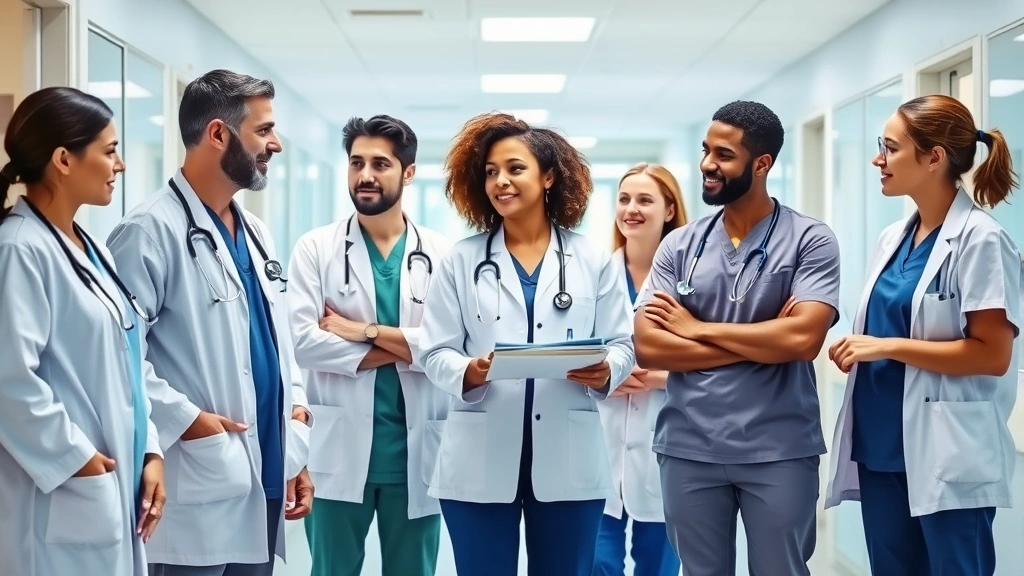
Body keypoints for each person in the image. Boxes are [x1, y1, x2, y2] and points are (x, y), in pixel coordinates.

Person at [105, 69, 314, 576]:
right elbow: (117, 355)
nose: (275, 144)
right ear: (218, 134)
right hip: (197, 481)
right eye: (263, 130)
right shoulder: (148, 231)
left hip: (264, 471)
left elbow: (275, 341)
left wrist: (297, 428)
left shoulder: (256, 230)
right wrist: (189, 422)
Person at [417, 112, 635, 576]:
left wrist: (608, 369)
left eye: (515, 169)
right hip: (477, 461)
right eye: (491, 172)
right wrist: (471, 371)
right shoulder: (461, 259)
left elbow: (623, 342)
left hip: (569, 460)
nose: (501, 181)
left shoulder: (593, 258)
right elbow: (434, 351)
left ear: (549, 176)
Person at [633, 100, 841, 576]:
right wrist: (765, 338)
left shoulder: (810, 239)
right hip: (689, 446)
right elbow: (650, 346)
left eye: (723, 154)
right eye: (706, 150)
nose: (708, 164)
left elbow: (804, 340)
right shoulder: (680, 244)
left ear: (762, 164)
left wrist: (696, 328)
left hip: (779, 448)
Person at [825, 94, 1022, 576]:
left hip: (946, 454)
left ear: (934, 157)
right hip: (881, 451)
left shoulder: (981, 240)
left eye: (889, 148)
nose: (878, 159)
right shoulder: (892, 238)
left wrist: (886, 346)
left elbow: (992, 354)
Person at [0, 87, 165, 576]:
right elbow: (9, 380)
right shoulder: (19, 250)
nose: (121, 166)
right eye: (110, 151)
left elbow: (127, 363)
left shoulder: (92, 248)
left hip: (115, 476)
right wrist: (77, 460)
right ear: (63, 160)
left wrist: (150, 448)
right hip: (65, 490)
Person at [287, 114, 452, 576]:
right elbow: (303, 343)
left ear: (409, 172)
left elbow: (450, 349)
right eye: (356, 162)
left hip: (415, 457)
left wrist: (363, 331)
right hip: (336, 455)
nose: (365, 175)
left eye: (381, 163)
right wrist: (412, 349)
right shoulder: (315, 249)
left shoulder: (441, 255)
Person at [594, 162, 686, 576]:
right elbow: (566, 350)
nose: (631, 208)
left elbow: (715, 356)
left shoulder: (693, 278)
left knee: (659, 568)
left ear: (669, 210)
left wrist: (660, 376)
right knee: (597, 564)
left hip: (667, 443)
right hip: (597, 442)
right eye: (624, 198)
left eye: (644, 200)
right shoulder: (592, 274)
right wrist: (602, 376)